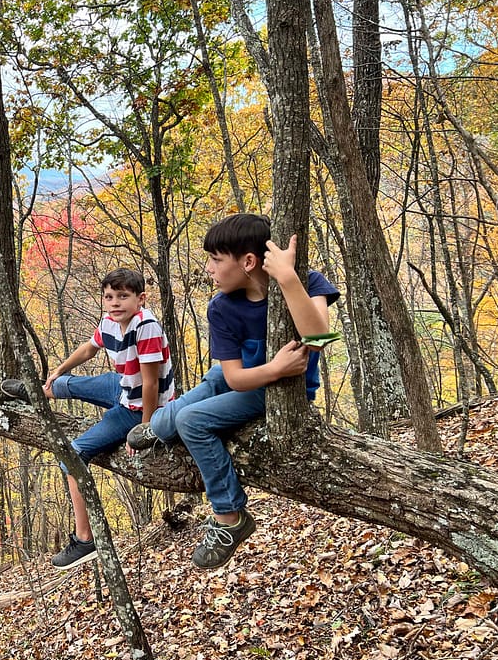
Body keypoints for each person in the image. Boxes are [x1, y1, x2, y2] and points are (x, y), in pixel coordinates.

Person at [127, 213, 340, 569]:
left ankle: (230, 517)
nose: (209, 268)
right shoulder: (222, 308)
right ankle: (160, 425)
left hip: (280, 391)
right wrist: (273, 366)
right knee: (174, 418)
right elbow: (235, 377)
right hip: (244, 377)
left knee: (191, 421)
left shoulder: (307, 282)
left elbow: (317, 339)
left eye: (216, 259)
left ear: (248, 262)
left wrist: (287, 279)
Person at [0, 268, 175, 569]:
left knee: (71, 456)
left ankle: (85, 539)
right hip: (122, 388)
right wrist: (58, 370)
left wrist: (146, 429)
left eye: (123, 296)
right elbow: (89, 349)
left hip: (139, 407)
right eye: (109, 297)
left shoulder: (146, 326)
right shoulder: (110, 320)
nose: (115, 303)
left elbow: (151, 384)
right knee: (69, 383)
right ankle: (39, 392)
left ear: (140, 299)